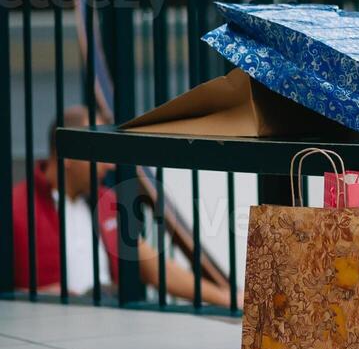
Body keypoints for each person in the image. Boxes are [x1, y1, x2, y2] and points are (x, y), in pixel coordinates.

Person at [10, 105, 233, 306]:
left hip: (111, 327)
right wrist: (37, 298)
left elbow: (154, 268)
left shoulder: (107, 201)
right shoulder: (15, 208)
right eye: (99, 150)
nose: (109, 165)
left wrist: (227, 299)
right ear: (68, 153)